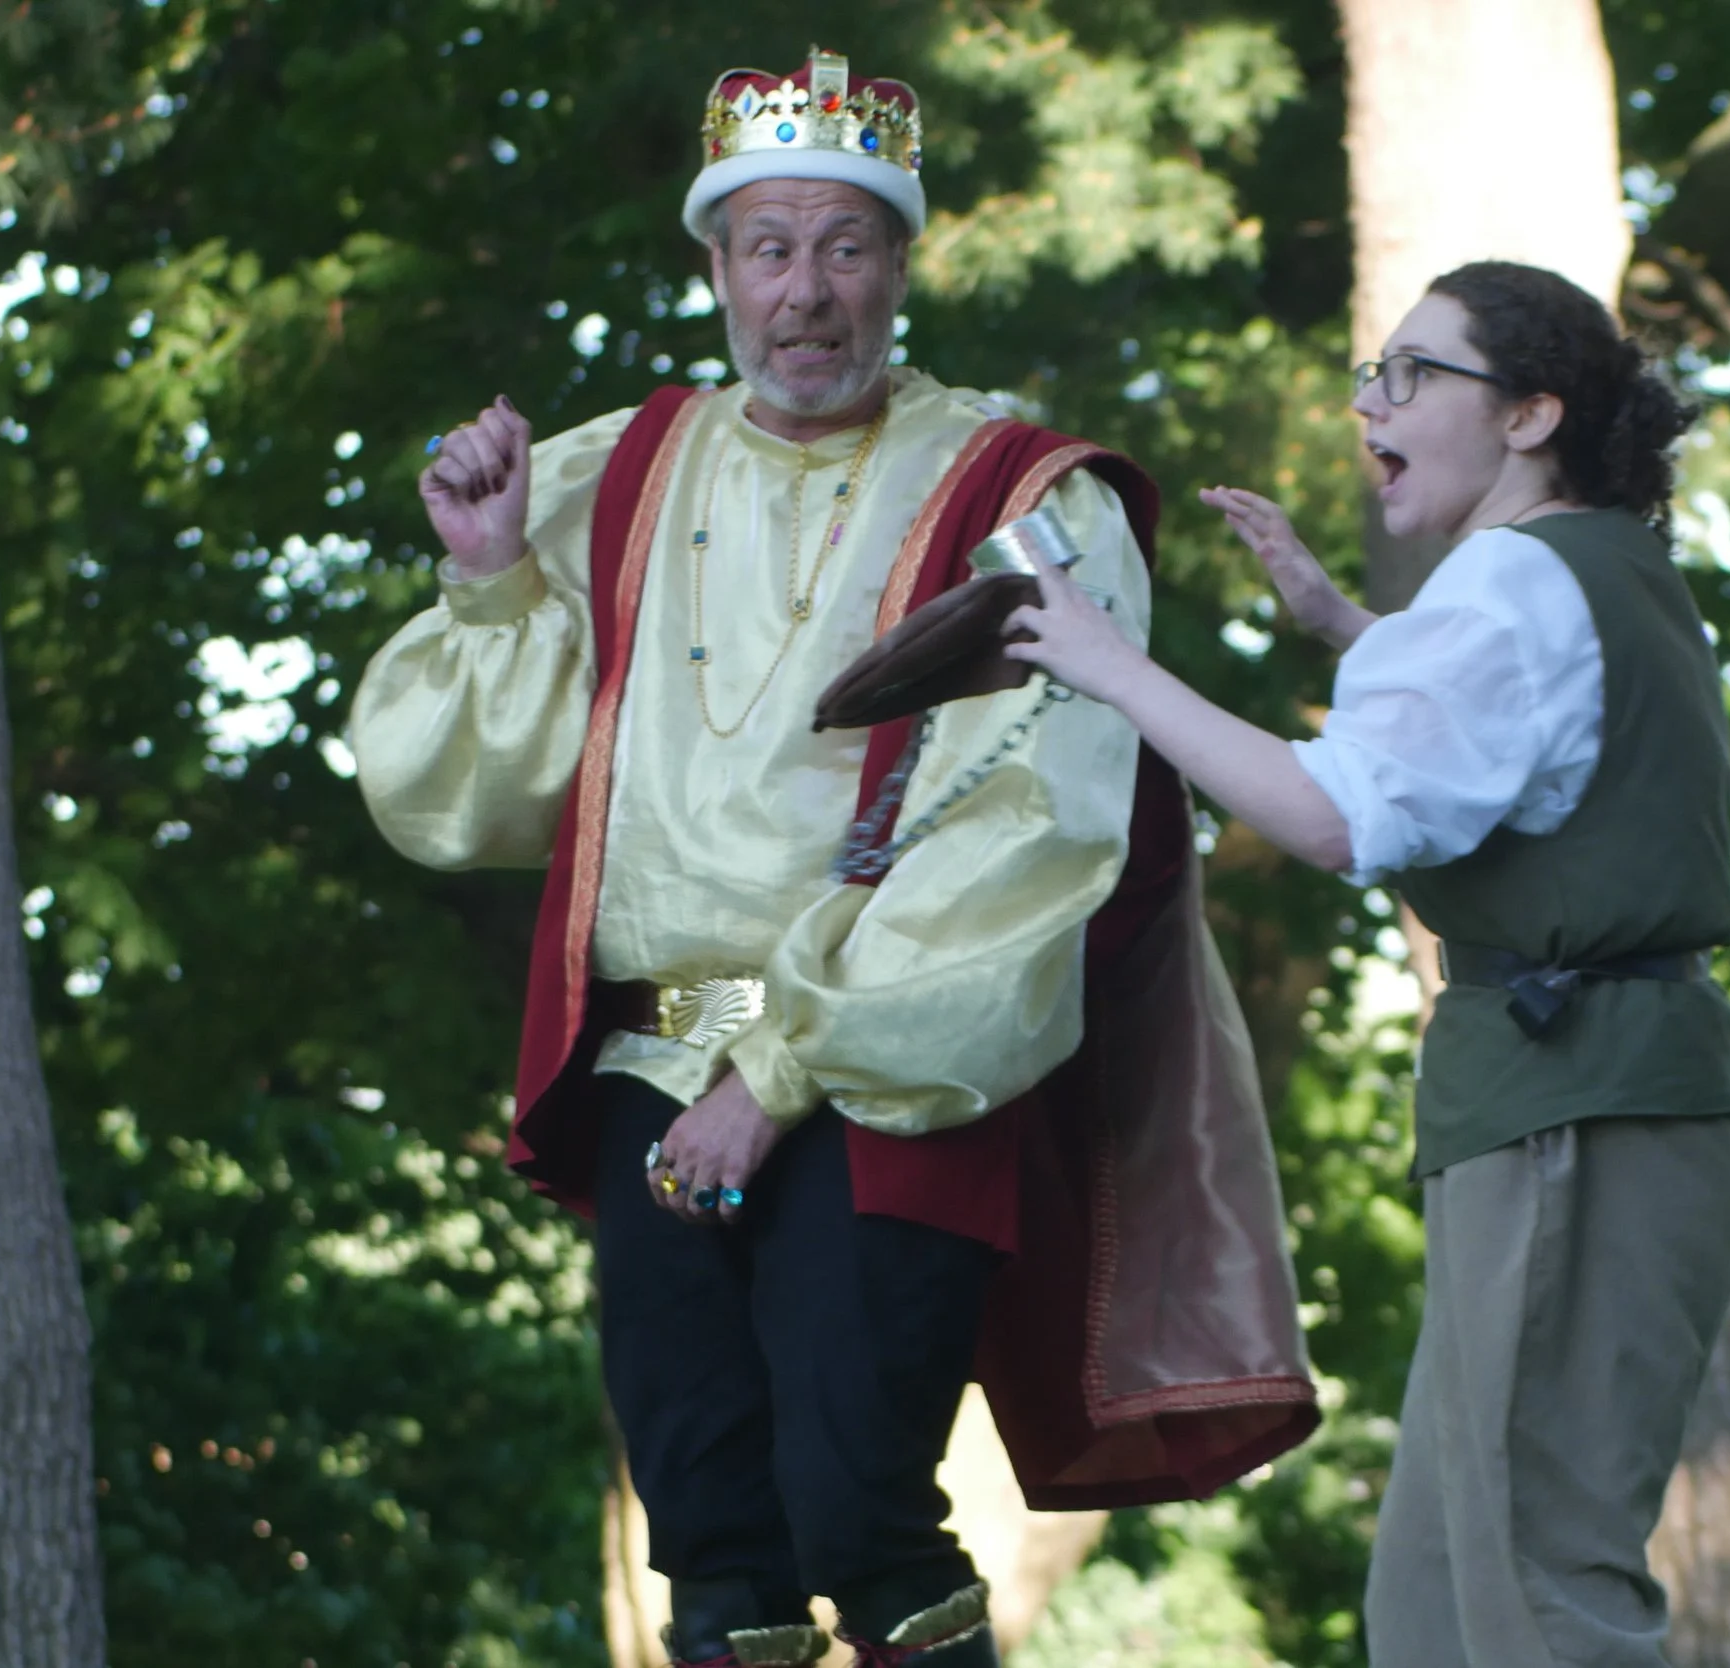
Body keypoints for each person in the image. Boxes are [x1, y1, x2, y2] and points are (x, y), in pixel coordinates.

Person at [351, 48, 1313, 1668]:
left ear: (902, 265)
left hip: (887, 1065)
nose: (807, 291)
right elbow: (469, 793)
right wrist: (495, 580)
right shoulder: (616, 471)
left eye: (846, 246)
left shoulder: (1024, 500)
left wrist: (780, 1067)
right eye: (772, 248)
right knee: (710, 1538)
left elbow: (1031, 830)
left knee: (858, 1504)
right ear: (719, 271)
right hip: (656, 1051)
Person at [1006, 259, 1730, 1666]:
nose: (1372, 403)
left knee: (1535, 1583)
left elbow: (1335, 815)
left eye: (1414, 374)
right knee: (1434, 1599)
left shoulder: (1518, 579)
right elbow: (1510, 730)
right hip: (1584, 1098)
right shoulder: (1595, 567)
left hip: (1578, 1108)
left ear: (1529, 415)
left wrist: (1110, 666)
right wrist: (1345, 626)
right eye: (1376, 373)